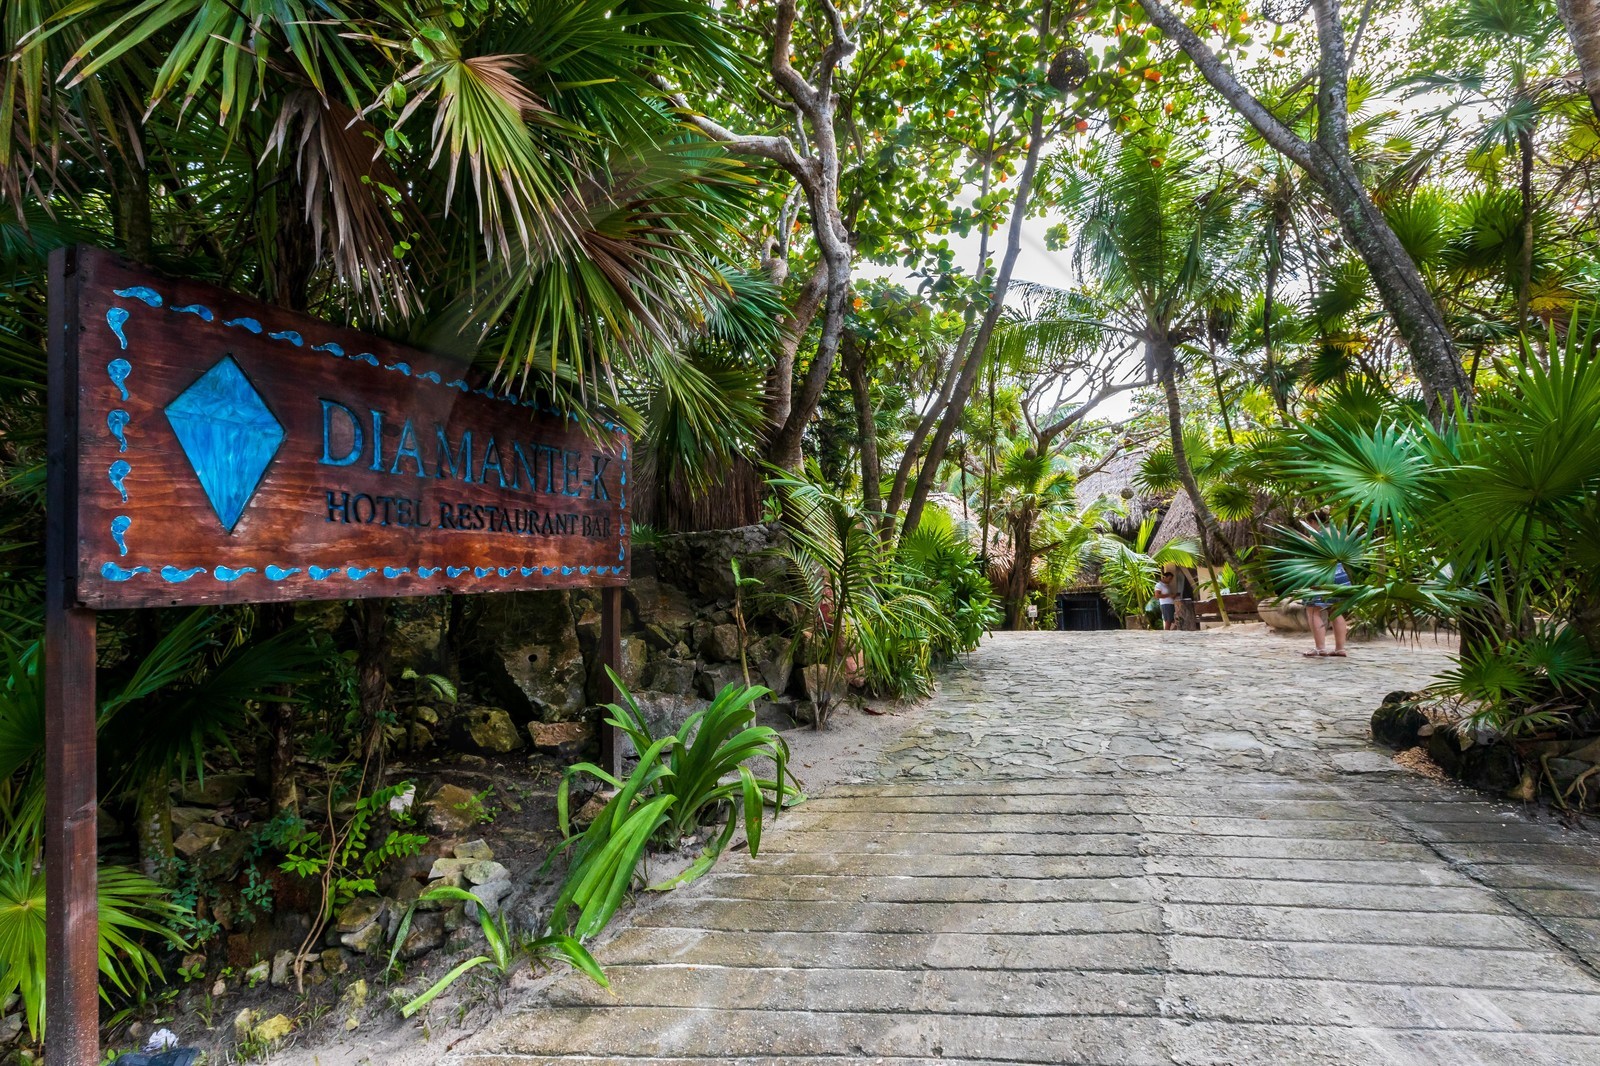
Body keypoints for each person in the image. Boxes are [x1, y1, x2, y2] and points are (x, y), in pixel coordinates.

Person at [1304, 561, 1352, 657]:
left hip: (1318, 572)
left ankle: (1320, 648)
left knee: (1313, 610)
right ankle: (1340, 649)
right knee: (1336, 611)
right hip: (1338, 573)